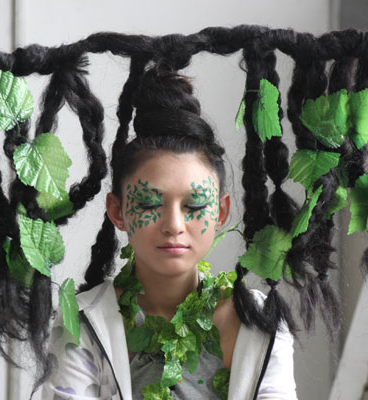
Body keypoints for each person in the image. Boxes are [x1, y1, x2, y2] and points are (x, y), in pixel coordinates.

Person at [41, 66, 297, 400]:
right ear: (118, 212)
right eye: (149, 204)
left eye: (193, 206)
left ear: (219, 212)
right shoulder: (82, 321)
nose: (174, 225)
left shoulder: (260, 323)